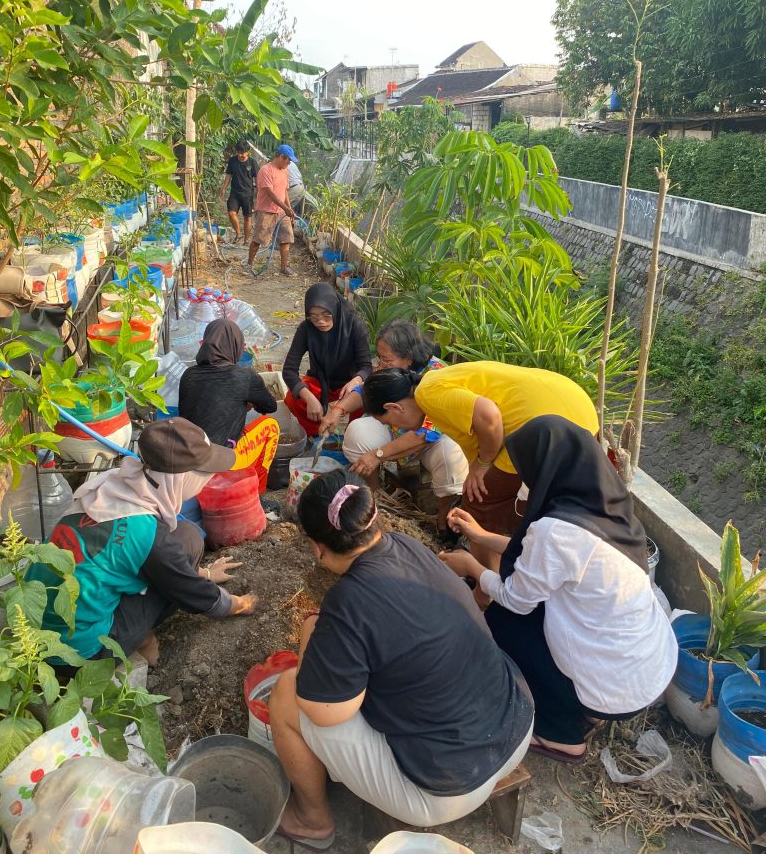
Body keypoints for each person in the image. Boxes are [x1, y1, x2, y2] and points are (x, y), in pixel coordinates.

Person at [268, 470, 533, 847]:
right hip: (516, 724)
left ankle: (313, 821)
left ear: (316, 547)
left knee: (286, 692)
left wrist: (312, 633)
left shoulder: (347, 603)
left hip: (449, 786)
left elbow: (325, 712)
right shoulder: (408, 547)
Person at [439, 416, 677, 764]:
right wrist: (480, 536)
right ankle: (589, 708)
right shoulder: (605, 504)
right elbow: (546, 559)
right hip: (646, 671)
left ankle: (560, 734)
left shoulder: (557, 531)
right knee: (531, 605)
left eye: (526, 472)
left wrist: (473, 568)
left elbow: (515, 598)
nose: (524, 482)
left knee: (505, 620)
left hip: (618, 688)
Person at [29, 419, 258, 666]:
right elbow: (190, 592)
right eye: (205, 472)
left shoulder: (109, 485)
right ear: (183, 479)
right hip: (78, 654)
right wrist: (237, 604)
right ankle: (142, 639)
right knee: (185, 547)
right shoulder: (147, 536)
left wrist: (205, 573)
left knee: (184, 538)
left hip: (32, 631)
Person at [361, 361, 599, 572]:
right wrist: (478, 466)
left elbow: (489, 417)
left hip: (544, 428)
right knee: (500, 500)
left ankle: (489, 586)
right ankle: (519, 561)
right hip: (577, 411)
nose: (399, 428)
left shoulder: (428, 395)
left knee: (476, 508)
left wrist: (483, 464)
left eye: (388, 421)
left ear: (394, 407)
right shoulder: (434, 379)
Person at [319, 321, 468, 541]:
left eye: (386, 359)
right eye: (380, 358)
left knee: (452, 455)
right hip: (395, 431)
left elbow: (429, 433)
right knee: (357, 432)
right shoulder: (388, 368)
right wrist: (338, 410)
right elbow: (366, 389)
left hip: (429, 442)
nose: (380, 364)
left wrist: (377, 454)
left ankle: (443, 516)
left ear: (409, 357)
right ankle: (376, 497)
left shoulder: (438, 376)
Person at [282, 283, 373, 437]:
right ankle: (318, 432)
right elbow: (289, 370)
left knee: (366, 396)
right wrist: (309, 397)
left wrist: (357, 380)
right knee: (293, 398)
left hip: (349, 384)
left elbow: (366, 367)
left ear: (335, 310)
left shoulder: (354, 326)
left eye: (326, 315)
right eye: (314, 317)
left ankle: (351, 436)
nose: (321, 322)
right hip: (320, 381)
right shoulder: (306, 329)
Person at [178, 319, 277, 446]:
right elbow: (271, 406)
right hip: (222, 456)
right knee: (270, 425)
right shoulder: (245, 376)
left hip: (188, 450)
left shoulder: (188, 374)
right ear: (235, 345)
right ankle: (252, 465)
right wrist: (250, 404)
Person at [246, 143, 297, 277]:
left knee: (286, 239)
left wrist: (289, 208)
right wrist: (285, 208)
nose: (289, 163)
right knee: (258, 240)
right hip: (266, 211)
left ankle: (284, 267)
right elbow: (270, 193)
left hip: (282, 212)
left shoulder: (285, 171)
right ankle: (249, 265)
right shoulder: (266, 170)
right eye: (288, 160)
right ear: (280, 157)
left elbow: (284, 191)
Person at [221, 138, 257, 245]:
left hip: (248, 194)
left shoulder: (253, 162)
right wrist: (223, 188)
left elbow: (257, 179)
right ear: (236, 151)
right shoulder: (232, 161)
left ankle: (246, 240)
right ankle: (238, 233)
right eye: (240, 152)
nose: (242, 154)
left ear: (247, 151)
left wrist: (259, 194)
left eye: (244, 152)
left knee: (247, 217)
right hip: (235, 193)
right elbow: (228, 175)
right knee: (231, 213)